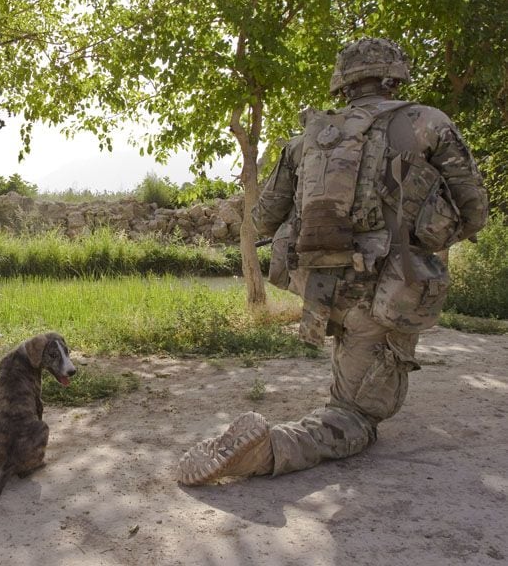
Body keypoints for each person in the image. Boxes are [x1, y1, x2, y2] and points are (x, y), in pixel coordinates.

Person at [177, 38, 489, 484]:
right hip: (385, 290)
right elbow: (475, 209)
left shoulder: (309, 137)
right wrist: (429, 231)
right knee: (359, 415)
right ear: (394, 75)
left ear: (342, 84)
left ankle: (339, 388)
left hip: (319, 286)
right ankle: (271, 450)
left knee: (354, 357)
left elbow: (264, 218)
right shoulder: (427, 123)